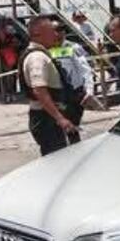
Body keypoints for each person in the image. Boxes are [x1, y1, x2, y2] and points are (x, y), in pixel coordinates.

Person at [21, 15, 81, 155]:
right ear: (37, 34)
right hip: (46, 120)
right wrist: (60, 119)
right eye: (51, 31)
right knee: (58, 161)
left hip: (50, 117)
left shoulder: (43, 53)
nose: (56, 34)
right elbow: (39, 90)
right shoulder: (37, 57)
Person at [50, 22, 105, 125]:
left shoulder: (73, 47)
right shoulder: (48, 49)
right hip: (57, 94)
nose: (58, 33)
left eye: (60, 30)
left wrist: (89, 90)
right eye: (54, 30)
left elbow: (85, 70)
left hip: (74, 93)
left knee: (72, 125)